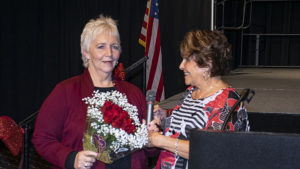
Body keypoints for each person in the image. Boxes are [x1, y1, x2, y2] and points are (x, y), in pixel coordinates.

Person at [32, 15, 150, 169]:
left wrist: (150, 136)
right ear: (86, 52)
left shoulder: (133, 93)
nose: (109, 52)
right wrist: (71, 158)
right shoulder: (66, 91)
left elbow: (149, 150)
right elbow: (42, 138)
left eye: (114, 46)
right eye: (101, 46)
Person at [147, 30, 249, 169]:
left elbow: (211, 150)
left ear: (207, 63)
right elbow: (187, 126)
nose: (181, 66)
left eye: (187, 59)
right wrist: (165, 116)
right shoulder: (191, 92)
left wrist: (159, 141)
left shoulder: (229, 103)